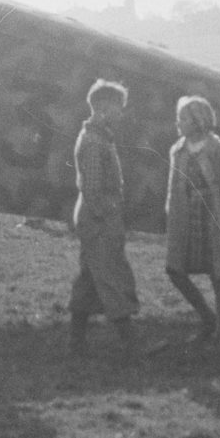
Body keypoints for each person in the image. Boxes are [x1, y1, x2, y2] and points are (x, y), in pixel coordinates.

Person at [162, 94, 220, 346]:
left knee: (217, 273)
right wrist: (171, 210)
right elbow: (172, 186)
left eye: (184, 118)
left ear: (199, 120)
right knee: (175, 270)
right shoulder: (177, 150)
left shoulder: (219, 149)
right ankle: (206, 317)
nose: (179, 123)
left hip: (212, 216)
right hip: (185, 218)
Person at [68, 79, 141, 354]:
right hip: (98, 217)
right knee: (109, 275)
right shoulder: (93, 141)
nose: (121, 113)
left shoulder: (99, 137)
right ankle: (130, 342)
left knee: (89, 278)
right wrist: (107, 219)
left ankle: (76, 341)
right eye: (118, 107)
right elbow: (93, 189)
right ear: (101, 108)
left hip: (97, 216)